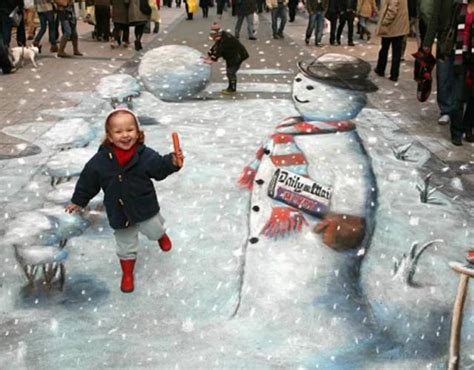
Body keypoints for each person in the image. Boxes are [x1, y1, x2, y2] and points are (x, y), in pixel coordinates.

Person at [65, 108, 184, 293]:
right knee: (125, 243)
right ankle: (127, 273)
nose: (125, 135)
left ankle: (160, 236)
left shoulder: (145, 155)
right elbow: (88, 181)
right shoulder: (100, 161)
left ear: (138, 133)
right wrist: (78, 200)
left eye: (130, 130)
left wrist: (172, 162)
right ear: (110, 137)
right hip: (119, 211)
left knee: (154, 228)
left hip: (144, 206)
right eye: (118, 131)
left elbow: (159, 168)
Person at [422, 0, 466, 144]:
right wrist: (428, 42)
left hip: (464, 46)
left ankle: (456, 111)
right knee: (444, 76)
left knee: (459, 80)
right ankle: (446, 109)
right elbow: (435, 17)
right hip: (445, 42)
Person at [202, 23, 249, 95]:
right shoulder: (221, 36)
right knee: (230, 71)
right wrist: (208, 55)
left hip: (237, 56)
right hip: (232, 56)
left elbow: (219, 51)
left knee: (230, 72)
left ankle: (232, 89)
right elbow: (215, 46)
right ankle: (231, 88)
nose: (213, 39)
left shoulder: (226, 39)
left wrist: (212, 60)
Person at [373, 0, 409, 82]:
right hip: (400, 26)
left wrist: (384, 22)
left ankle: (380, 69)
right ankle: (394, 74)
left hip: (390, 27)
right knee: (396, 52)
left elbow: (392, 9)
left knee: (384, 49)